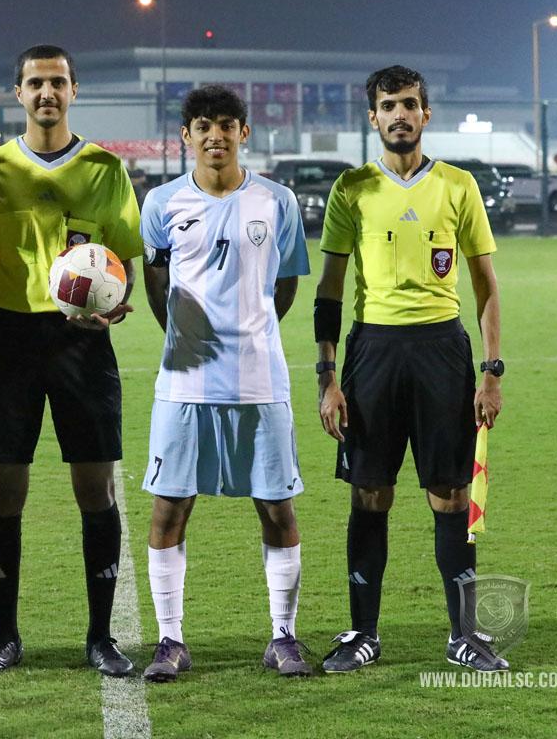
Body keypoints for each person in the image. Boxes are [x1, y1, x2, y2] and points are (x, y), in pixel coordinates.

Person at [0, 44, 144, 677]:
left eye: (57, 82)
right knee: (4, 490)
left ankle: (101, 637)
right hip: (7, 341)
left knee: (96, 487)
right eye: (35, 82)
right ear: (18, 93)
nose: (47, 93)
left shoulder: (105, 169)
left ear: (74, 90)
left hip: (82, 342)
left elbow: (123, 260)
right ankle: (5, 637)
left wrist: (112, 307)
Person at [314, 65, 506, 673]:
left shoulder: (457, 185)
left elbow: (486, 286)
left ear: (426, 114)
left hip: (441, 351)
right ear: (373, 117)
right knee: (370, 493)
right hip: (372, 352)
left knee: (450, 495)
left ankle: (463, 635)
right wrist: (327, 378)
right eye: (388, 105)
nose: (399, 114)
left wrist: (491, 372)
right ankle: (362, 634)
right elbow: (329, 290)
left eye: (409, 104)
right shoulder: (351, 189)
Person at [138, 86, 313, 682]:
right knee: (169, 509)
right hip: (184, 384)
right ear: (186, 135)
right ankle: (170, 640)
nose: (215, 135)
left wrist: (251, 331)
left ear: (244, 132)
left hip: (260, 380)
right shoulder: (161, 202)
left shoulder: (277, 200)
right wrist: (185, 339)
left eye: (226, 125)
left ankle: (283, 636)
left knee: (277, 508)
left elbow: (285, 285)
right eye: (203, 125)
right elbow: (156, 279)